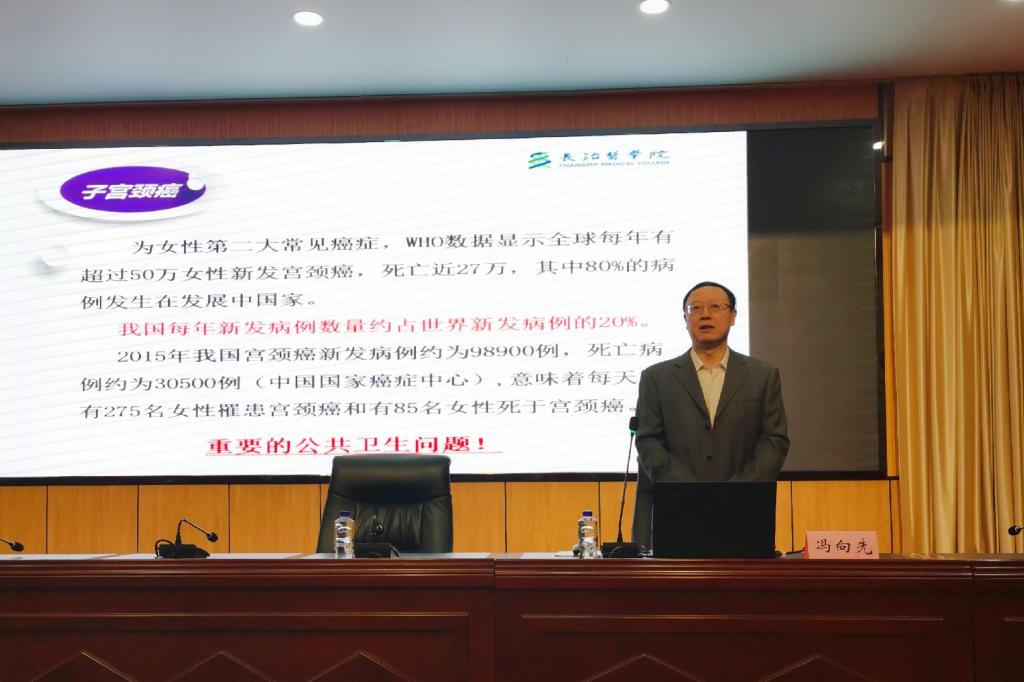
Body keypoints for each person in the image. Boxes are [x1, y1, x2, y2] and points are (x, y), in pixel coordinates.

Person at [631, 281, 789, 548]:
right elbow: (648, 441)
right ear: (685, 319)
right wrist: (690, 491)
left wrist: (737, 491)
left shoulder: (763, 376)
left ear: (733, 316)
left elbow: (774, 440)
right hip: (675, 512)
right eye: (695, 308)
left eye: (715, 306)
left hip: (744, 512)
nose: (705, 314)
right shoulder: (656, 378)